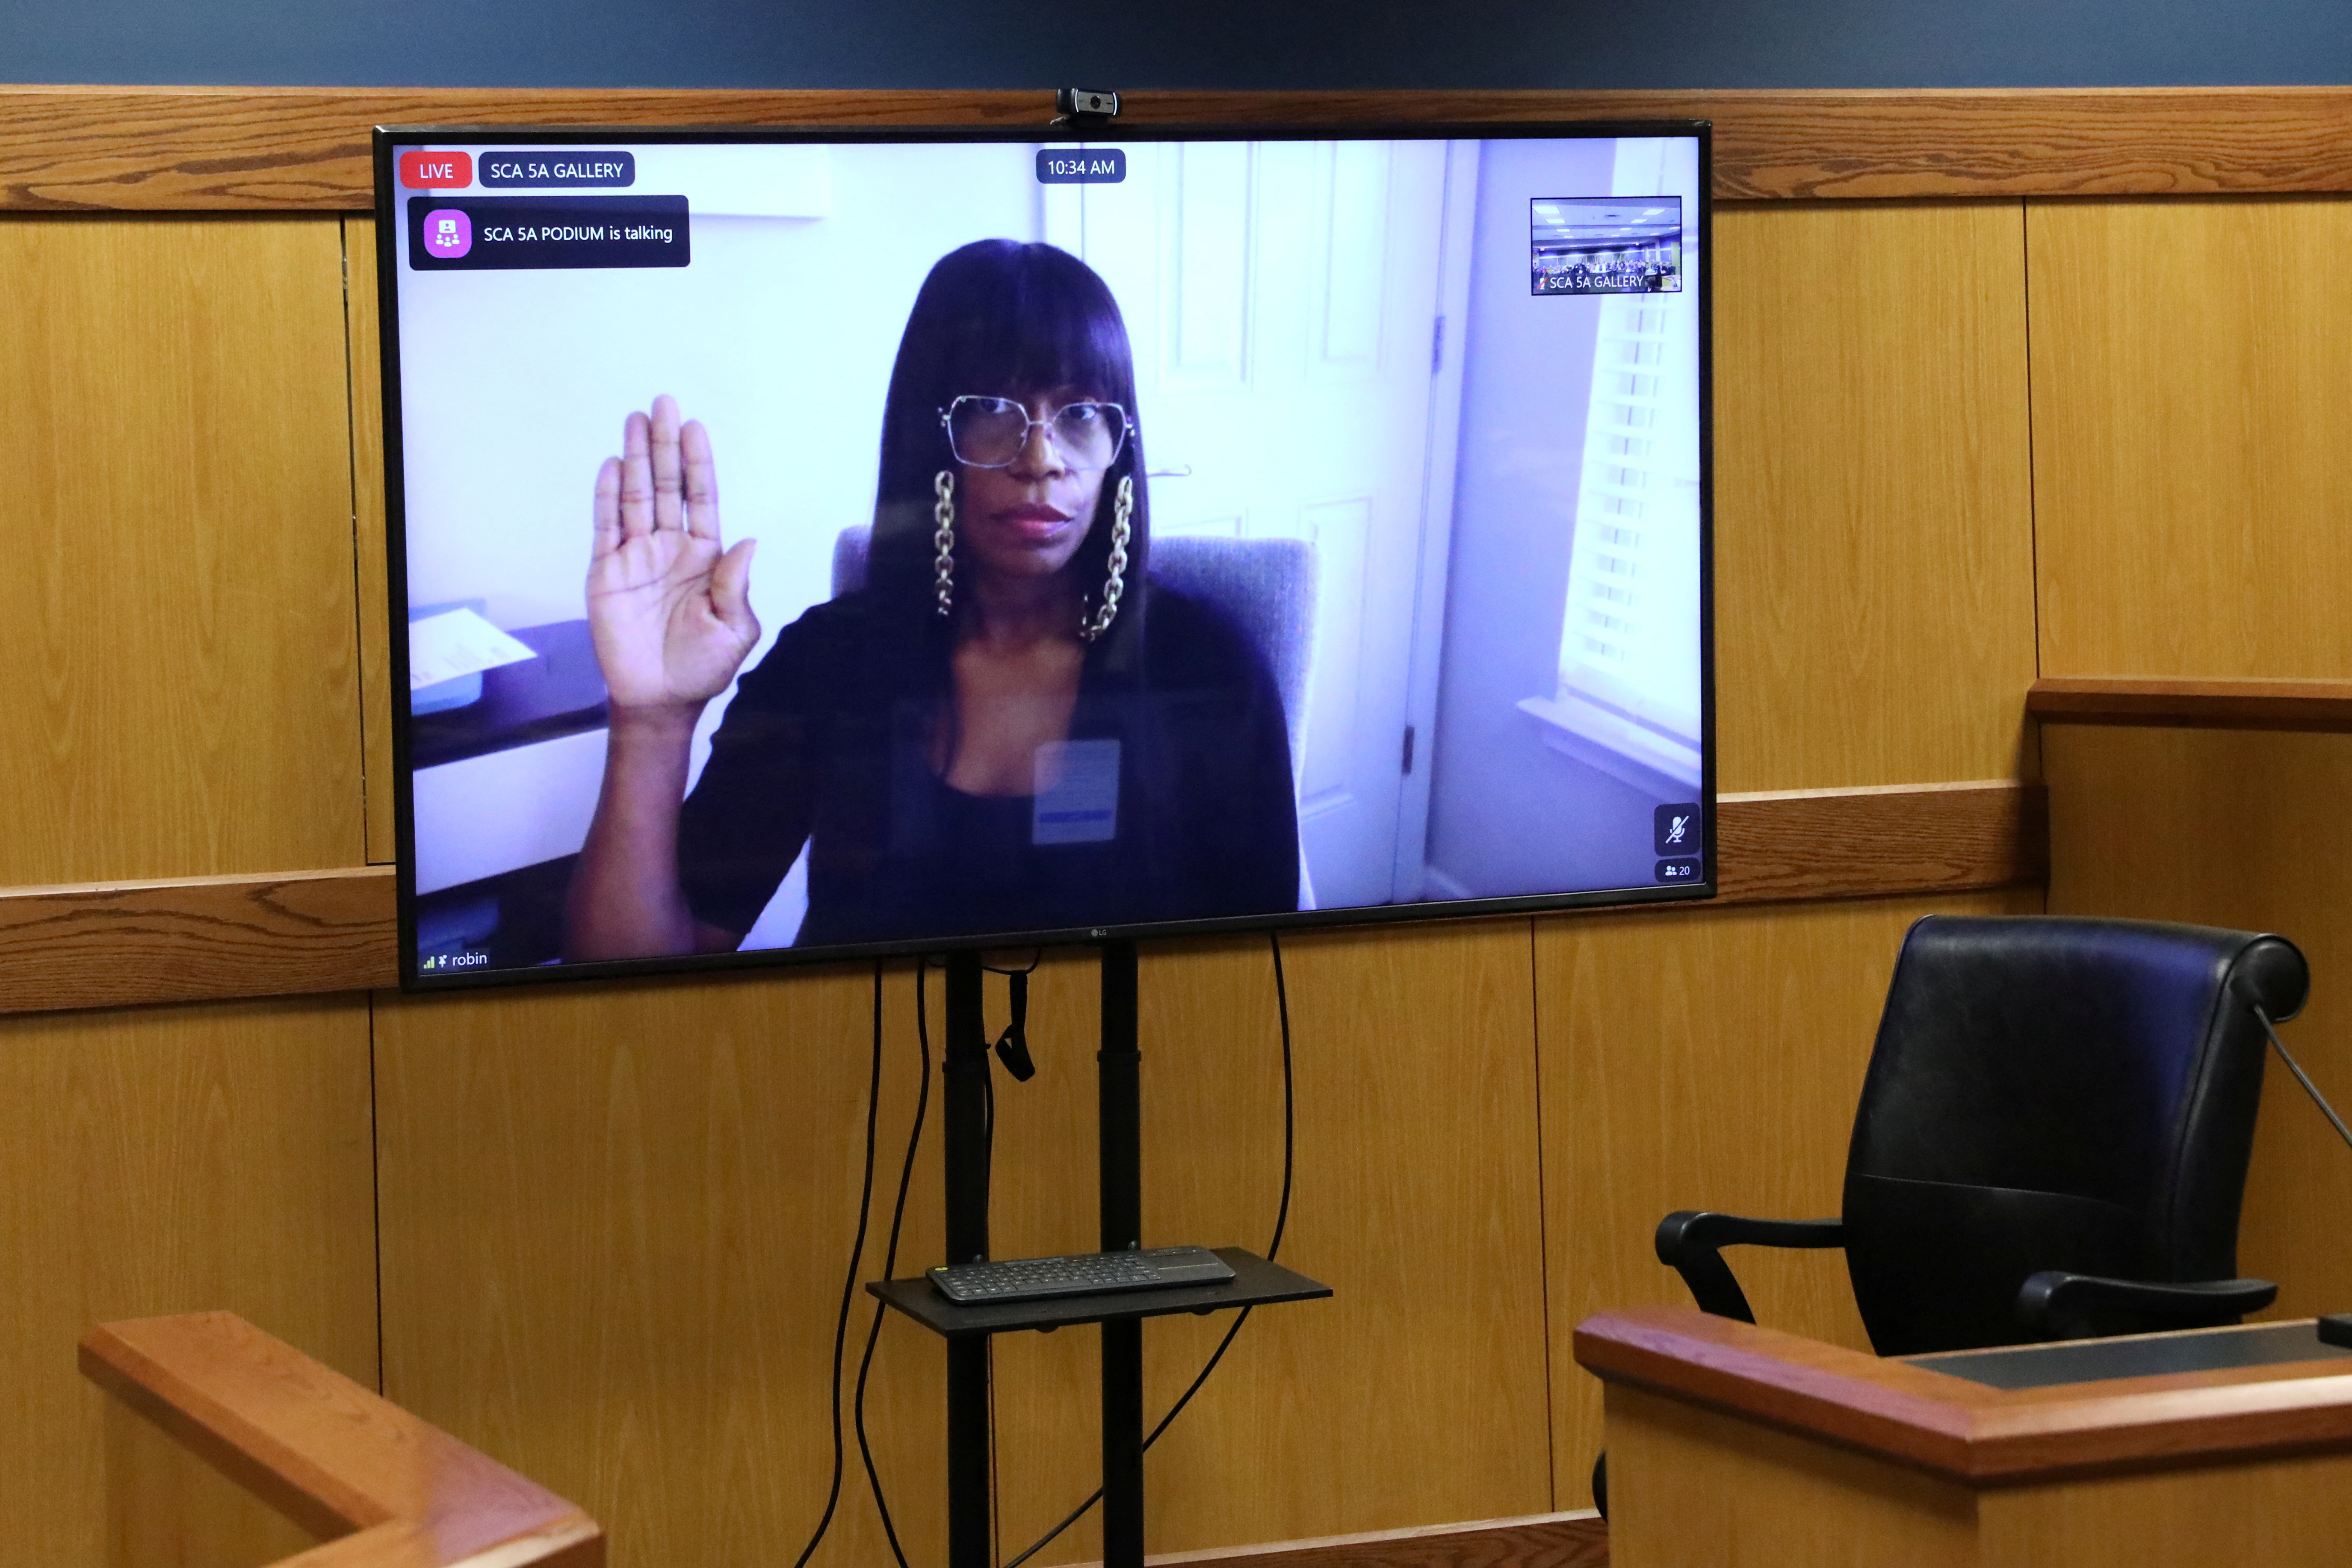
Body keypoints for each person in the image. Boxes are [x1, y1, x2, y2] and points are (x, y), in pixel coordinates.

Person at [565, 239, 1299, 961]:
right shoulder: (831, 663)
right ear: (931, 437)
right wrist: (651, 721)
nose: (1041, 459)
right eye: (992, 408)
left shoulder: (1209, 671)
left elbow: (1257, 984)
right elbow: (634, 974)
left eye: (1080, 414)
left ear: (1119, 443)